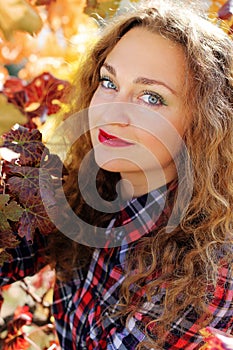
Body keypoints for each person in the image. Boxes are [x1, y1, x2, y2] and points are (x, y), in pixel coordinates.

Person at [1, 0, 233, 349]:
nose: (112, 112)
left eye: (151, 98)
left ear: (204, 123)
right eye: (109, 82)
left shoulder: (208, 270)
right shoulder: (90, 190)